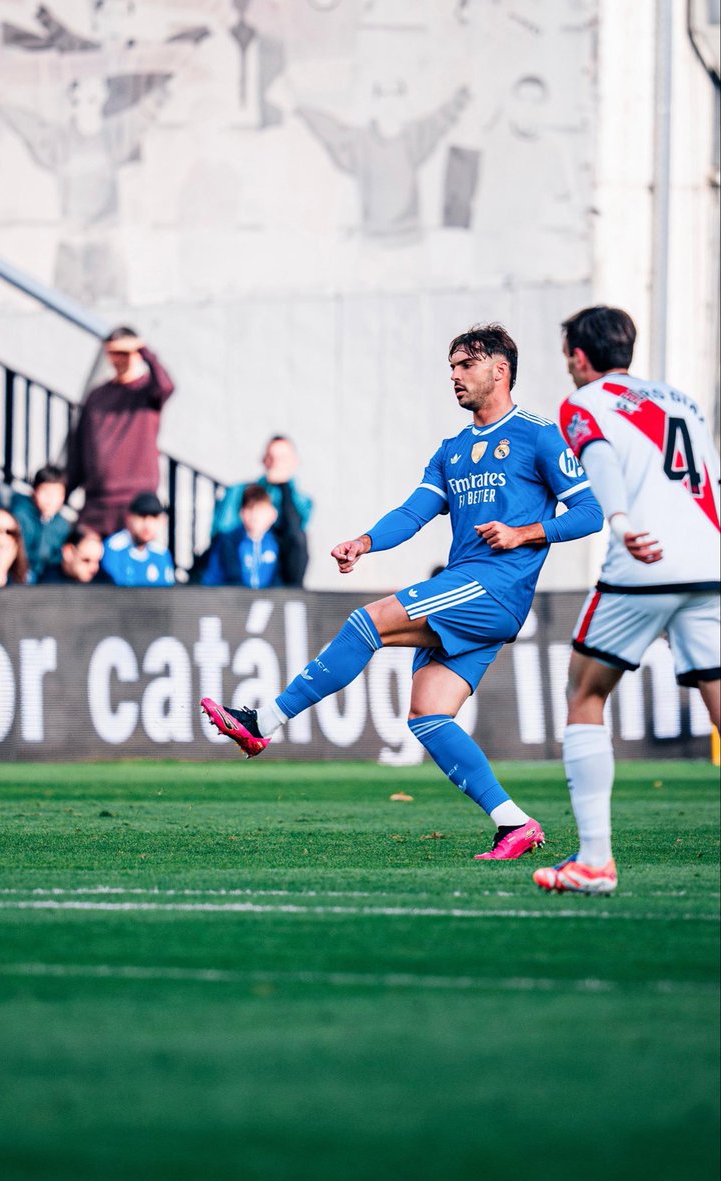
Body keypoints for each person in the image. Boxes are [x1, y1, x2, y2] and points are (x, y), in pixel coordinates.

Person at [201, 324, 603, 860]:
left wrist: (523, 533)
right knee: (428, 715)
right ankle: (514, 823)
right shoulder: (453, 450)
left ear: (500, 370)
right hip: (470, 590)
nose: (455, 376)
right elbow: (414, 512)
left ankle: (263, 722)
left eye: (466, 365)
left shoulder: (539, 435)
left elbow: (590, 512)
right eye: (452, 367)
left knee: (366, 623)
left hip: (492, 586)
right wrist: (365, 541)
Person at [533, 306, 721, 895]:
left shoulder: (584, 402)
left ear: (579, 356)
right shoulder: (682, 400)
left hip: (646, 562)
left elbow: (600, 461)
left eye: (567, 355)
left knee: (584, 693)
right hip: (711, 562)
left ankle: (594, 861)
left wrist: (618, 521)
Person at [70, 326, 175, 538]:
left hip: (136, 502)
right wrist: (66, 488)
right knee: (84, 552)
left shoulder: (147, 391)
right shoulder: (97, 396)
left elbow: (165, 386)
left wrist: (143, 349)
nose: (120, 359)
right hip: (97, 501)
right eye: (114, 353)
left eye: (125, 352)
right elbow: (80, 448)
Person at [211, 434, 313, 585]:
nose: (276, 464)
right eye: (272, 458)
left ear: (294, 462)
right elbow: (223, 530)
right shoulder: (239, 491)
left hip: (278, 567)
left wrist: (284, 487)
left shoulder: (302, 501)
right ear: (264, 460)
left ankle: (291, 592)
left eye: (283, 458)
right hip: (241, 559)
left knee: (297, 540)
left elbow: (295, 534)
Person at [202, 484, 284, 588]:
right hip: (229, 596)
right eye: (250, 510)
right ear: (242, 513)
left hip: (267, 598)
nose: (255, 516)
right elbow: (213, 580)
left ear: (272, 514)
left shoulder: (277, 542)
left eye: (260, 510)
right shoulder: (228, 541)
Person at [10, 465, 72, 581]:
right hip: (17, 572)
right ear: (34, 492)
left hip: (44, 576)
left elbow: (56, 558)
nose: (51, 500)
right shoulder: (19, 515)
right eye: (46, 492)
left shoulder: (62, 525)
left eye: (57, 494)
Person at [100, 491, 175, 587]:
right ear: (128, 518)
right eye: (142, 516)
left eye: (154, 516)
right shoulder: (114, 548)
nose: (147, 524)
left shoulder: (161, 552)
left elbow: (167, 589)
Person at [39, 524, 107, 585]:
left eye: (98, 561)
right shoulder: (48, 583)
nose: (94, 568)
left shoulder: (104, 582)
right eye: (86, 560)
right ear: (68, 552)